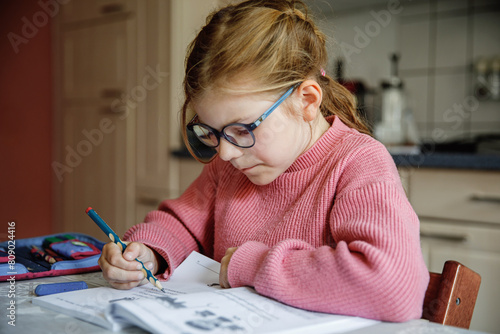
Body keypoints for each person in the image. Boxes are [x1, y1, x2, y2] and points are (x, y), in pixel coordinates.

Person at [98, 0, 429, 322]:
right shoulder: (231, 164)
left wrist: (254, 266)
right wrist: (148, 251)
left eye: (242, 129)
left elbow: (394, 288)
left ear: (307, 101)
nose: (225, 153)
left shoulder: (357, 163)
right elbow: (181, 224)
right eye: (210, 131)